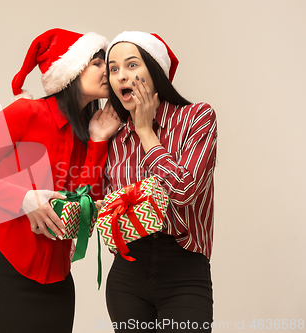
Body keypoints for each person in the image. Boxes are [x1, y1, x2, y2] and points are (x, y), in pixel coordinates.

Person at [0, 28, 120, 333]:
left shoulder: (89, 132)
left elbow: (86, 208)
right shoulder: (25, 112)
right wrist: (23, 199)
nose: (107, 69)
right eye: (97, 62)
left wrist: (97, 140)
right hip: (3, 268)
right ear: (71, 70)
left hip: (57, 281)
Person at [103, 31, 217, 332]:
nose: (121, 76)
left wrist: (146, 132)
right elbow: (98, 206)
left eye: (131, 65)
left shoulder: (197, 118)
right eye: (113, 69)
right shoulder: (114, 137)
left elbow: (183, 191)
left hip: (184, 268)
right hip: (128, 272)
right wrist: (95, 140)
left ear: (155, 70)